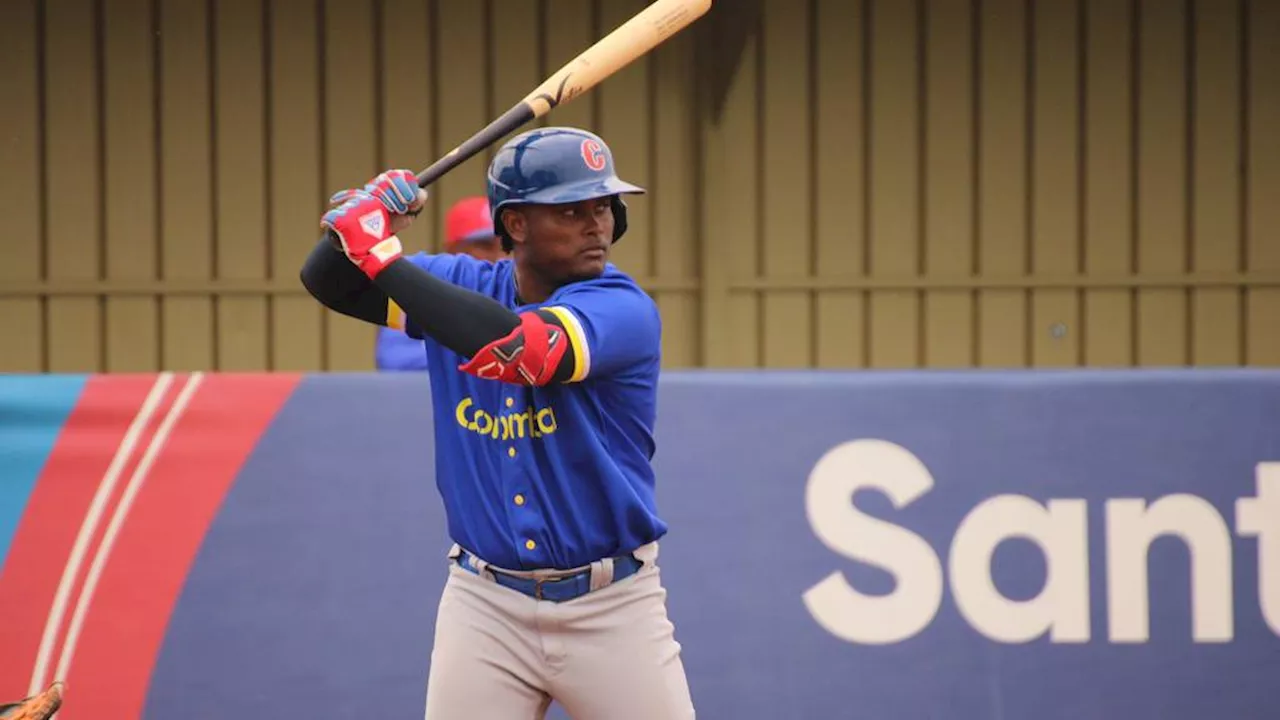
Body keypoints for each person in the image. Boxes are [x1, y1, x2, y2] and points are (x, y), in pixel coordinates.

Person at [299, 126, 695, 720]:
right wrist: (360, 225)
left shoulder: (623, 308)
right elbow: (326, 280)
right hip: (484, 603)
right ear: (514, 224)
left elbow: (518, 351)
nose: (597, 224)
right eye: (571, 209)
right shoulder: (462, 284)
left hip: (611, 607)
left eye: (603, 206)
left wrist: (379, 255)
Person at [373, 195, 504, 372]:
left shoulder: (514, 291)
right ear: (453, 248)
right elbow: (394, 358)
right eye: (485, 246)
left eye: (504, 245)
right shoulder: (421, 291)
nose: (498, 256)